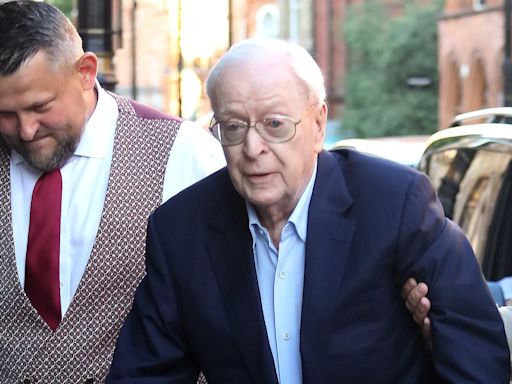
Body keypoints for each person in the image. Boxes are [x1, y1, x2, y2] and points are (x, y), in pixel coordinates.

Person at [106, 37, 510, 383]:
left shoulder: (393, 204)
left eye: (275, 125)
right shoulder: (182, 230)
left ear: (318, 125)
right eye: (233, 127)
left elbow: (476, 361)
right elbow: (144, 372)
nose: (252, 148)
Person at [0, 1, 224, 383]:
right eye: (5, 114)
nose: (25, 130)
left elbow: (226, 313)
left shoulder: (182, 152)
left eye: (41, 106)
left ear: (86, 71)